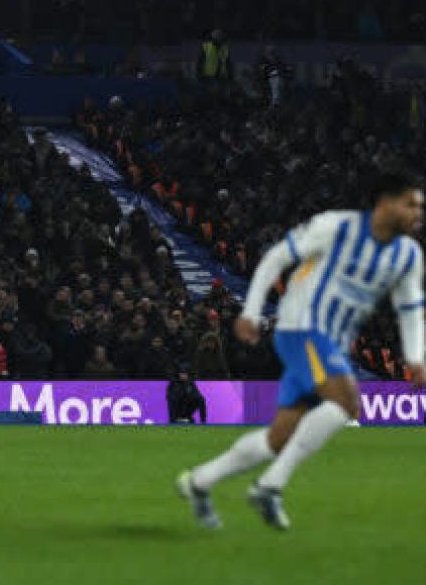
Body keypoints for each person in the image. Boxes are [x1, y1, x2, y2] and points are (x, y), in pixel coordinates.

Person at [177, 168, 425, 530]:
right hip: (300, 326)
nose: (418, 213)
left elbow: (410, 307)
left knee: (278, 438)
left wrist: (416, 357)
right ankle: (269, 487)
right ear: (385, 204)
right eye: (411, 205)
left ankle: (200, 482)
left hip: (330, 337)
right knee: (345, 403)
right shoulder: (334, 228)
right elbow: (277, 258)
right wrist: (251, 311)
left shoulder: (406, 254)